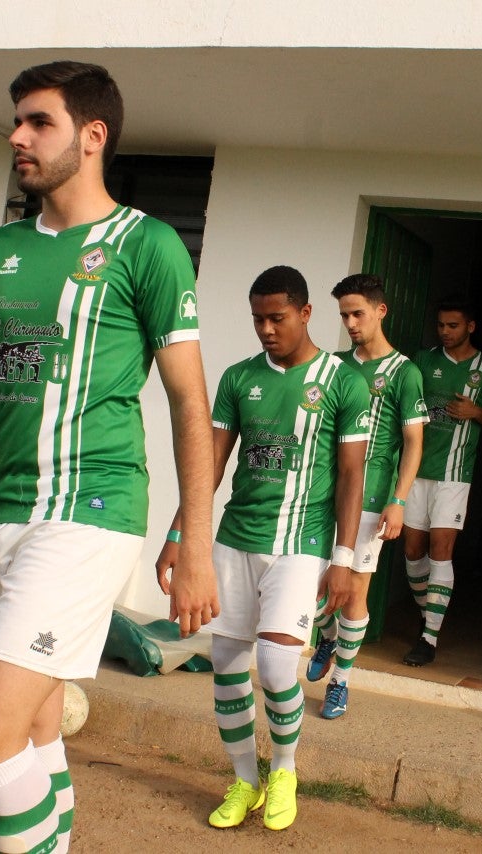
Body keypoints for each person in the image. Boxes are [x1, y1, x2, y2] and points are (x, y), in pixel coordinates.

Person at [0, 61, 218, 854]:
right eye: (17, 121)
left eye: (38, 122)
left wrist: (193, 540)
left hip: (89, 511)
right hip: (2, 514)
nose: (17, 137)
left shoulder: (149, 246)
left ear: (92, 137)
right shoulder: (1, 250)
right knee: (33, 718)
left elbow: (189, 403)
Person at [158, 265, 368, 831]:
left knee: (277, 665)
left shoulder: (344, 382)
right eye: (257, 319)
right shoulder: (237, 378)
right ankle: (245, 780)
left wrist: (344, 560)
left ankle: (286, 770)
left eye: (277, 317)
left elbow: (352, 477)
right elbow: (212, 463)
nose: (266, 329)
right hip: (232, 539)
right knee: (226, 665)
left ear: (304, 313)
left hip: (300, 543)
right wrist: (180, 535)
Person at [306, 273, 426, 718]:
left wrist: (399, 499)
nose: (351, 323)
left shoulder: (405, 372)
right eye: (344, 315)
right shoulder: (336, 365)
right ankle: (328, 637)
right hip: (321, 488)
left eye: (357, 313)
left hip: (373, 496)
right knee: (311, 583)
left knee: (355, 592)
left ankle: (341, 681)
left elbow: (413, 442)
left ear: (381, 311)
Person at [400, 298, 482, 666]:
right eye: (441, 325)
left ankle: (428, 638)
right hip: (414, 472)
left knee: (441, 552)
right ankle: (428, 612)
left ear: (470, 327)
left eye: (453, 326)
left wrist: (476, 412)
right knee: (413, 552)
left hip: (454, 475)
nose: (445, 332)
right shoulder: (423, 360)